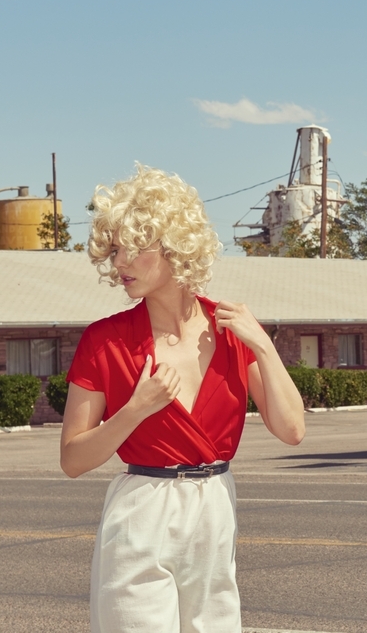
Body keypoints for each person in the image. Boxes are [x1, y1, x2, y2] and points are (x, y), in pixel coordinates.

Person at [59, 163, 305, 632]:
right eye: (112, 250)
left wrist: (264, 344)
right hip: (142, 509)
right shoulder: (104, 341)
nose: (119, 262)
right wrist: (134, 410)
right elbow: (72, 458)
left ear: (173, 244)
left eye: (132, 247)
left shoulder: (232, 330)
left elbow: (292, 430)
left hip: (215, 506)